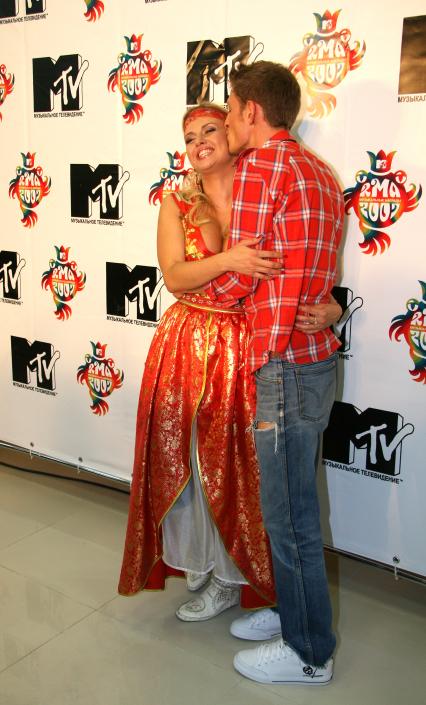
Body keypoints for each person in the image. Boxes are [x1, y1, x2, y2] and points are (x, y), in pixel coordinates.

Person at [118, 103, 342, 622]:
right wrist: (229, 259)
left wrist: (331, 307)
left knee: (243, 471)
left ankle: (234, 576)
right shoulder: (176, 202)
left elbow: (304, 257)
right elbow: (175, 276)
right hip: (187, 343)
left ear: (233, 133)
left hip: (250, 345)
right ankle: (202, 560)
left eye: (210, 130)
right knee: (193, 466)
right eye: (189, 136)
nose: (199, 142)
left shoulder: (261, 189)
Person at [206, 62, 344, 685]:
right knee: (295, 506)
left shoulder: (262, 168)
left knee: (289, 516)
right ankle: (295, 613)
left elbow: (244, 270)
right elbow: (304, 268)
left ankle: (308, 652)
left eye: (231, 112)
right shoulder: (321, 172)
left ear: (252, 111)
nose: (228, 123)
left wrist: (189, 287)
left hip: (284, 366)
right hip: (314, 361)